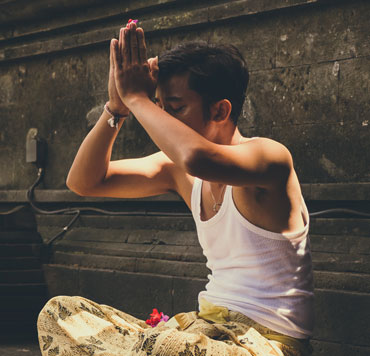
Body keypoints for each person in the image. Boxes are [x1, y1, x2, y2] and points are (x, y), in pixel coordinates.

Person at [37, 20, 314, 356]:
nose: (162, 121)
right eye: (161, 108)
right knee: (61, 312)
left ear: (220, 109)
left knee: (162, 346)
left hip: (265, 345)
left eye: (176, 108)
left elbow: (196, 157)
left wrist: (139, 99)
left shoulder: (269, 157)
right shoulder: (177, 169)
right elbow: (83, 182)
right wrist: (117, 108)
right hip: (198, 333)